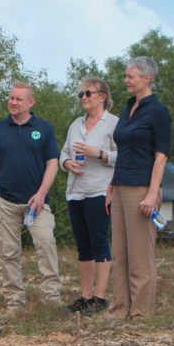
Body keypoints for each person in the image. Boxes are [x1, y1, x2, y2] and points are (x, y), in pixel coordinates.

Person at [0, 82, 62, 314]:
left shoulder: (44, 128)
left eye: (19, 99)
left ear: (31, 102)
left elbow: (52, 163)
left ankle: (52, 298)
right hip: (5, 201)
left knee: (46, 244)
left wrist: (41, 193)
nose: (13, 102)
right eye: (11, 98)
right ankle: (15, 303)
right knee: (9, 252)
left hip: (36, 203)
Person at [106, 57, 171, 319]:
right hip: (121, 185)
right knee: (120, 253)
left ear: (147, 78)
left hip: (141, 188)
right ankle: (119, 309)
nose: (125, 80)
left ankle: (140, 313)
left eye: (130, 76)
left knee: (140, 256)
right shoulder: (127, 108)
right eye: (126, 75)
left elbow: (161, 156)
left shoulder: (157, 111)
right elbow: (122, 150)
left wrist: (152, 193)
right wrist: (112, 185)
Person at [59, 77, 118, 315]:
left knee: (99, 241)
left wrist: (100, 153)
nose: (83, 97)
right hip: (76, 191)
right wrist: (67, 163)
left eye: (88, 93)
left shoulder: (114, 124)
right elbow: (63, 152)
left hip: (100, 189)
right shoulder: (76, 124)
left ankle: (100, 298)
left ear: (102, 97)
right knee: (83, 245)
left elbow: (124, 157)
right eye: (81, 94)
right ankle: (84, 296)